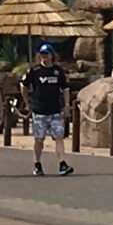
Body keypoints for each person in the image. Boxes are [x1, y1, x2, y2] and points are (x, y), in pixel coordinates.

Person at [20, 43, 73, 176]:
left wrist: (66, 105)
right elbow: (23, 85)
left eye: (46, 54)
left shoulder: (58, 71)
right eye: (42, 54)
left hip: (55, 110)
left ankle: (62, 163)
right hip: (39, 111)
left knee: (59, 137)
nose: (44, 57)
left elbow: (65, 88)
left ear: (52, 55)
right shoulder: (34, 71)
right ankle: (37, 164)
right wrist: (27, 102)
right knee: (39, 139)